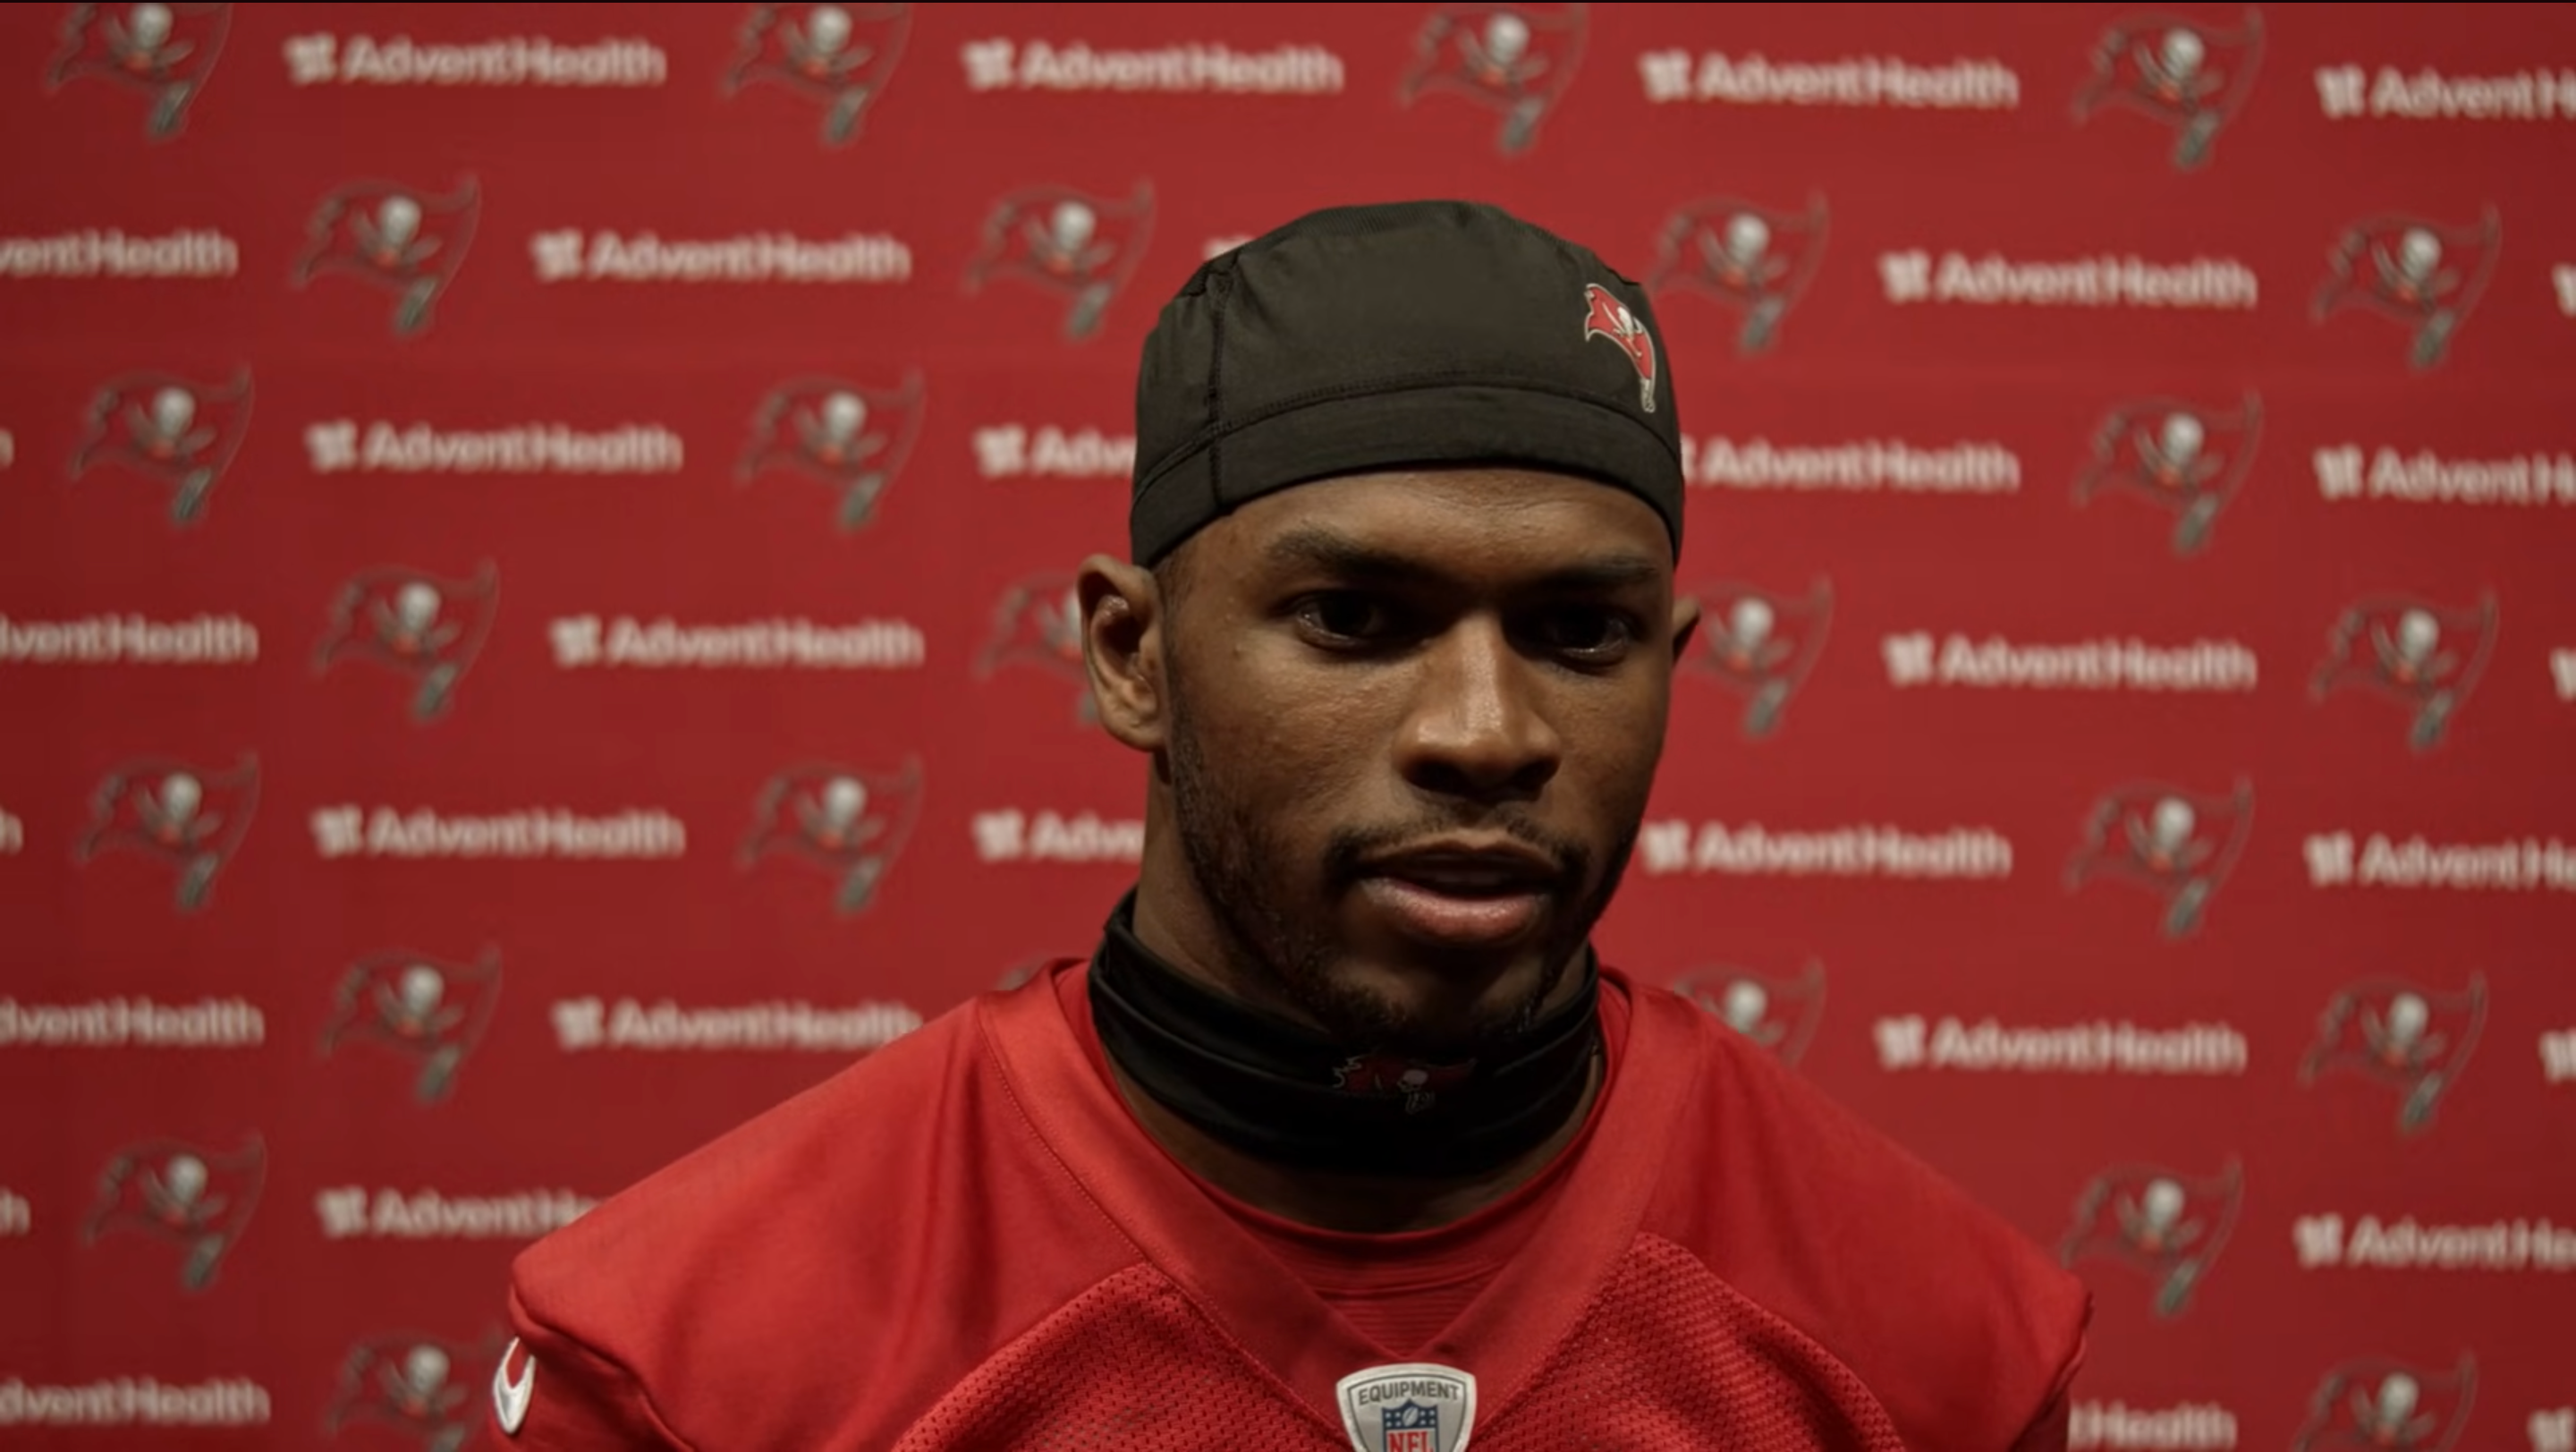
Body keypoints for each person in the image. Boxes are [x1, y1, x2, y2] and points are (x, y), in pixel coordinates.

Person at [480, 200, 2089, 1451]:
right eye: (1353, 617)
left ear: (1668, 666)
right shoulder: (700, 1351)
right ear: (1133, 655)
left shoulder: (1938, 1338)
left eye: (1578, 633)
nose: (1488, 733)